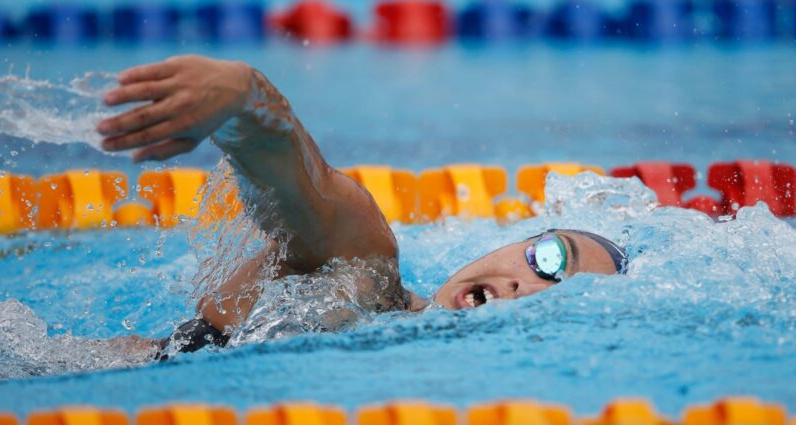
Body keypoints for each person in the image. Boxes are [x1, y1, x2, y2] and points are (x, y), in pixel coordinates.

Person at [96, 55, 627, 358]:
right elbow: (305, 187)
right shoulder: (369, 281)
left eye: (559, 302)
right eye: (551, 260)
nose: (522, 288)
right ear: (516, 242)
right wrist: (245, 97)